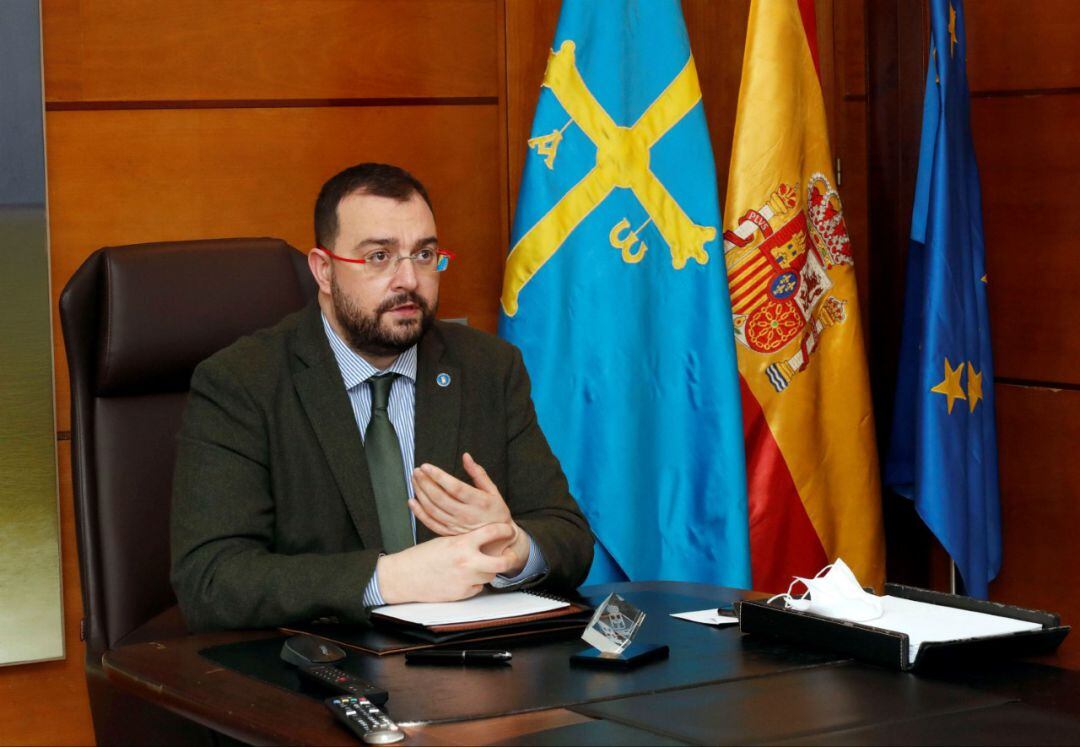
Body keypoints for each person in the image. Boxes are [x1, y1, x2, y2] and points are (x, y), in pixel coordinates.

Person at [170, 163, 593, 631]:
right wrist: (389, 578)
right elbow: (211, 579)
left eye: (425, 255)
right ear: (324, 270)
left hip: (473, 667)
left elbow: (570, 539)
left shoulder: (488, 368)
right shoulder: (243, 383)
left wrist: (511, 546)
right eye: (379, 257)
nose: (409, 280)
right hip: (318, 672)